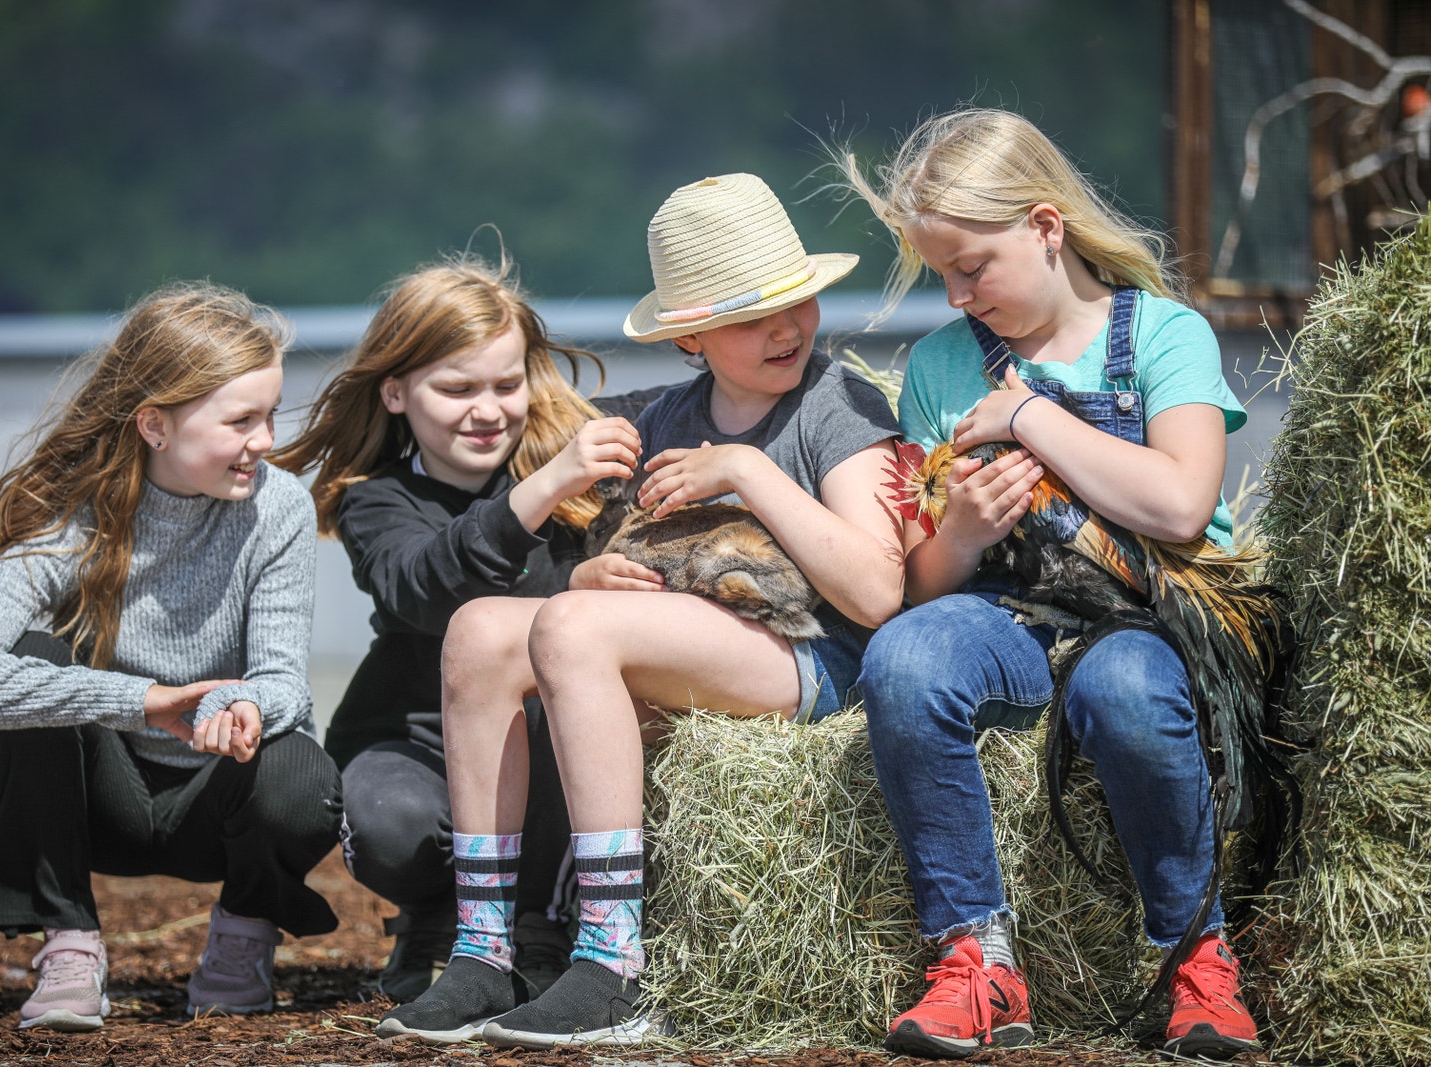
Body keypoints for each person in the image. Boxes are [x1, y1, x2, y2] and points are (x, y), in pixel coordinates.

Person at [375, 172, 908, 1048]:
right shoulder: (666, 416)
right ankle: (482, 948)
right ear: (691, 333)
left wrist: (745, 472)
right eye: (750, 317)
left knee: (570, 628)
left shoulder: (838, 403)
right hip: (704, 640)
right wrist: (590, 581)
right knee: (483, 628)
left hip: (815, 656)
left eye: (799, 302)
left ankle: (613, 960)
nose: (787, 329)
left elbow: (879, 591)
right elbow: (628, 567)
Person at [843, 107, 1259, 1060]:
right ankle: (972, 959)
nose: (954, 295)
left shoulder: (1166, 332)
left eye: (971, 266)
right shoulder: (946, 367)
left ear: (1044, 225)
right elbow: (922, 584)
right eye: (939, 272)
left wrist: (1030, 414)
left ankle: (1198, 958)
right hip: (1014, 608)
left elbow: (1183, 505)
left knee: (1123, 688)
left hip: (1162, 613)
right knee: (905, 659)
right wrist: (963, 529)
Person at [0, 283, 342, 1032]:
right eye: (242, 419)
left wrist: (233, 704)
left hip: (217, 802)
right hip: (94, 804)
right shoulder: (71, 515)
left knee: (304, 771)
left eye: (272, 414)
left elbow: (282, 679)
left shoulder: (279, 506)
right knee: (32, 660)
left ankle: (242, 939)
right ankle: (71, 946)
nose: (268, 440)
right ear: (154, 424)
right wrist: (140, 700)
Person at [270, 253, 664, 1003]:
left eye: (506, 384)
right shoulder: (375, 499)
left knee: (567, 717)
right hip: (415, 740)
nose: (487, 409)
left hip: (545, 744)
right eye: (456, 388)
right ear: (395, 391)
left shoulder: (579, 468)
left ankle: (545, 931)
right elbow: (426, 590)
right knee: (388, 821)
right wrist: (546, 491)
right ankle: (436, 913)